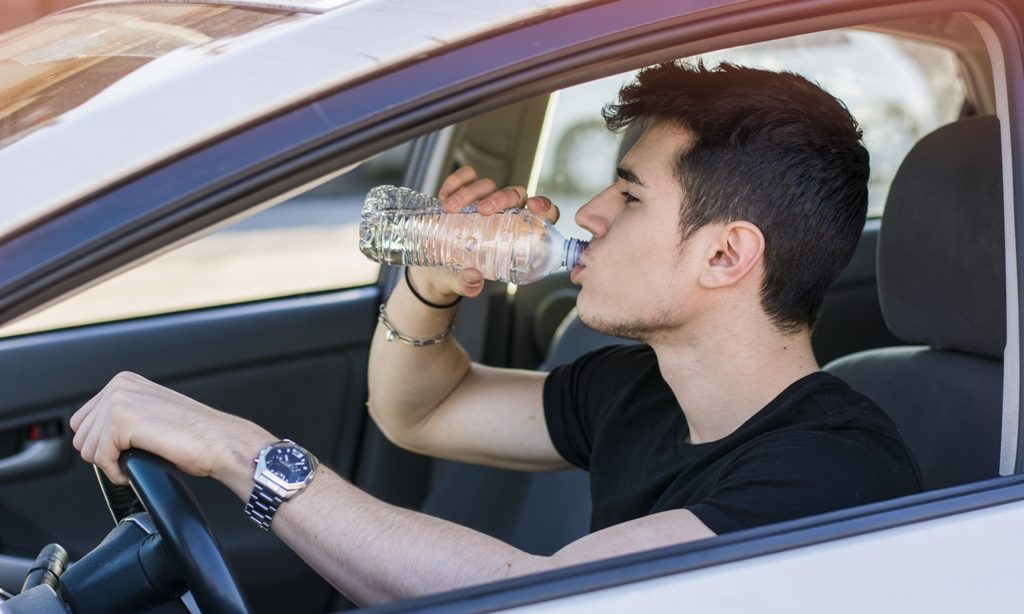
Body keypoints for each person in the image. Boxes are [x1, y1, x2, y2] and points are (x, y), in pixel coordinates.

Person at [70, 62, 922, 605]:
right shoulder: (637, 387)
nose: (587, 215)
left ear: (727, 254)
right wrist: (431, 285)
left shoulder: (835, 470)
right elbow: (422, 412)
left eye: (627, 196)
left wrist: (238, 451)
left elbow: (547, 598)